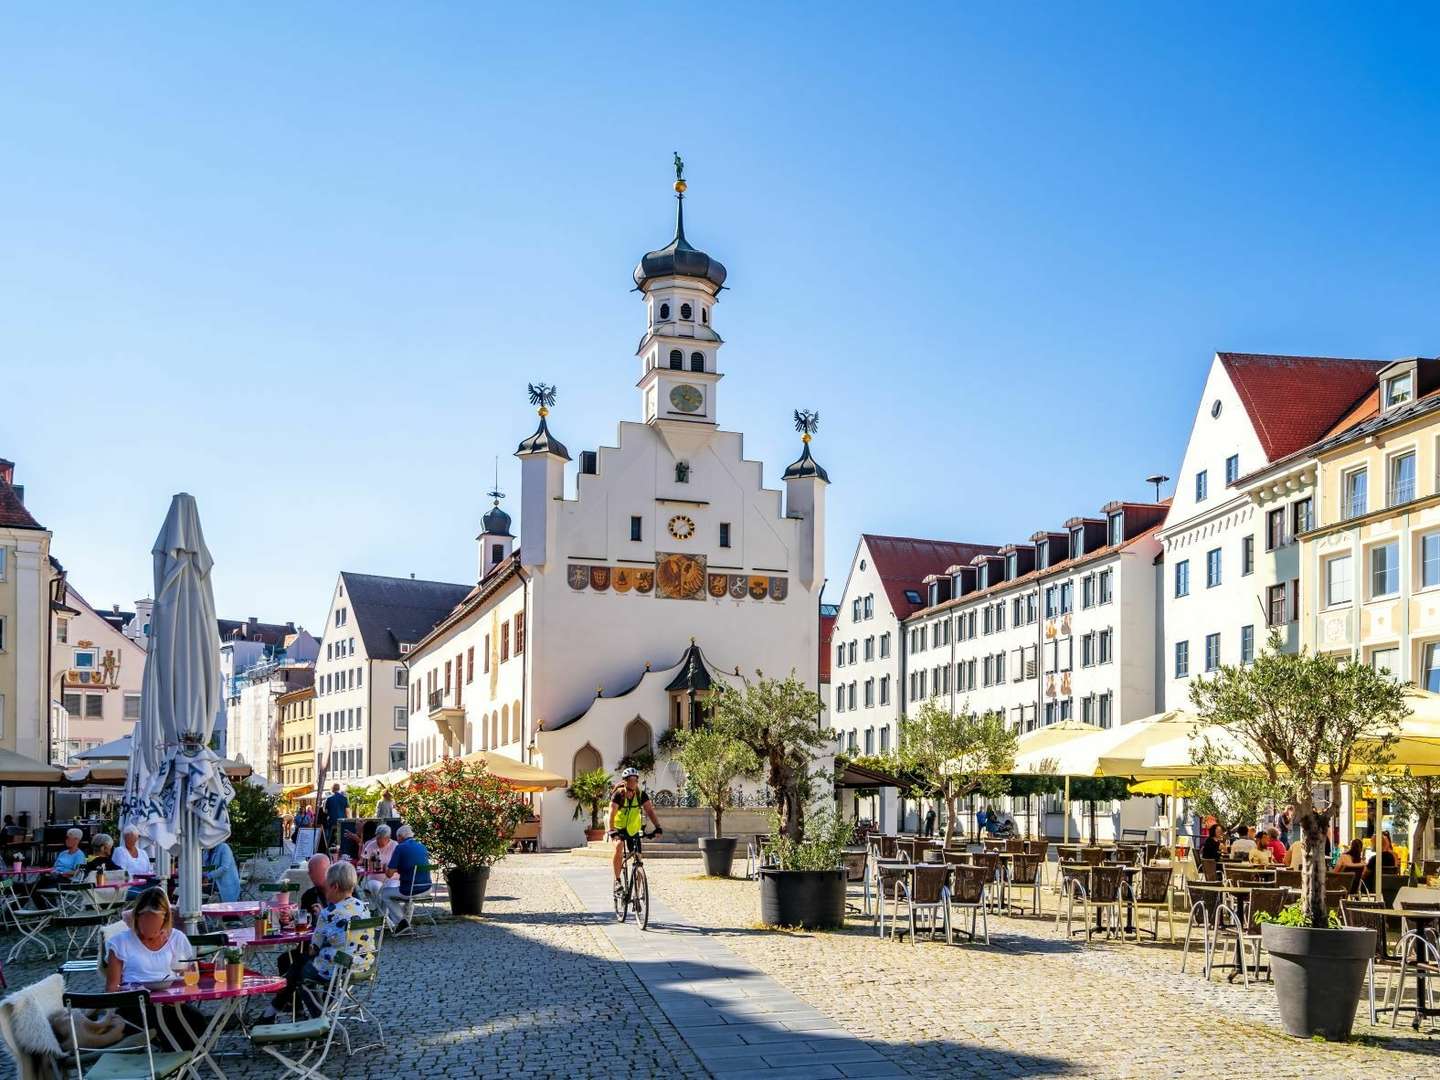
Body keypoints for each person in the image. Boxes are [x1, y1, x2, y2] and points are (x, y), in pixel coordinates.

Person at [263, 861, 376, 1021]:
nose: (326, 891)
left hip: (340, 966)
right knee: (300, 964)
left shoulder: (328, 913)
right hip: (364, 963)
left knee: (301, 973)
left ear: (335, 887)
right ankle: (276, 1010)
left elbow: (313, 949)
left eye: (327, 886)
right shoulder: (363, 907)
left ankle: (319, 1018)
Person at [105, 887, 205, 1048]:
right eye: (145, 920)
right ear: (136, 917)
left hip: (171, 1002)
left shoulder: (176, 938)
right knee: (166, 1024)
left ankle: (180, 1068)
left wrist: (179, 988)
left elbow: (188, 978)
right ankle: (171, 1066)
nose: (149, 926)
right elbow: (111, 990)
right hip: (135, 1006)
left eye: (154, 921)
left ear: (165, 919)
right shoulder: (120, 942)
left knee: (196, 1020)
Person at [609, 767, 663, 887]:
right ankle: (617, 881)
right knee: (618, 846)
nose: (633, 782)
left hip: (634, 830)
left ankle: (637, 894)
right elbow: (611, 814)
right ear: (625, 781)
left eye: (635, 780)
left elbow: (650, 811)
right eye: (630, 780)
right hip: (619, 828)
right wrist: (612, 831)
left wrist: (658, 827)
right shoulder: (618, 795)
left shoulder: (641, 795)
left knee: (638, 858)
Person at [381, 825, 432, 933]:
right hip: (427, 888)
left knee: (384, 894)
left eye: (397, 838)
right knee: (405, 896)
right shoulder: (422, 846)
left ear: (400, 837)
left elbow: (389, 874)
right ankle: (404, 922)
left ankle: (402, 922)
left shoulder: (400, 847)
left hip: (411, 890)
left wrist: (386, 867)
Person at [324, 784, 349, 852]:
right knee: (342, 837)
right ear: (339, 788)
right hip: (342, 821)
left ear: (332, 789)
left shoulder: (329, 799)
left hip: (332, 822)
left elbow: (325, 811)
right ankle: (343, 850)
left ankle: (328, 849)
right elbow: (347, 811)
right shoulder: (344, 798)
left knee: (330, 837)